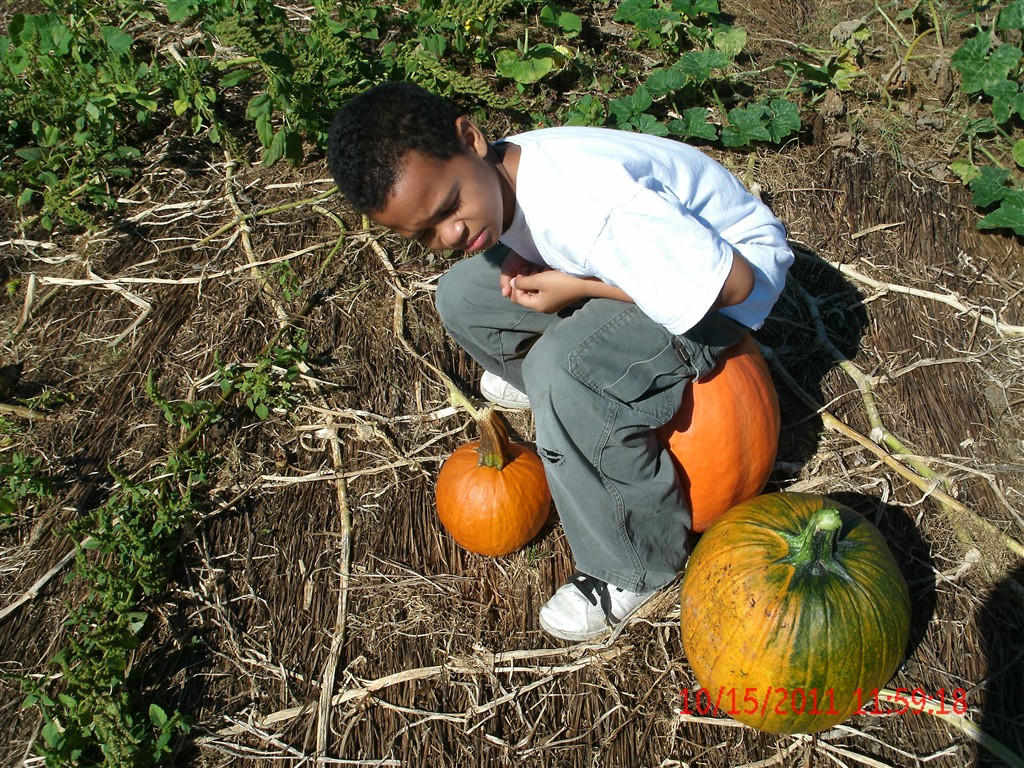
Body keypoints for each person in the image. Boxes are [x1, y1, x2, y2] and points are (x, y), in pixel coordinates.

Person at [327, 81, 793, 642]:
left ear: (471, 140)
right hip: (646, 263)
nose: (450, 234)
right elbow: (550, 237)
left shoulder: (589, 204)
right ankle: (573, 404)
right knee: (462, 296)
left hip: (714, 298)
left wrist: (577, 287)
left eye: (449, 209)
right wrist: (526, 253)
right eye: (424, 233)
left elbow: (734, 285)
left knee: (561, 369)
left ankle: (637, 564)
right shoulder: (502, 170)